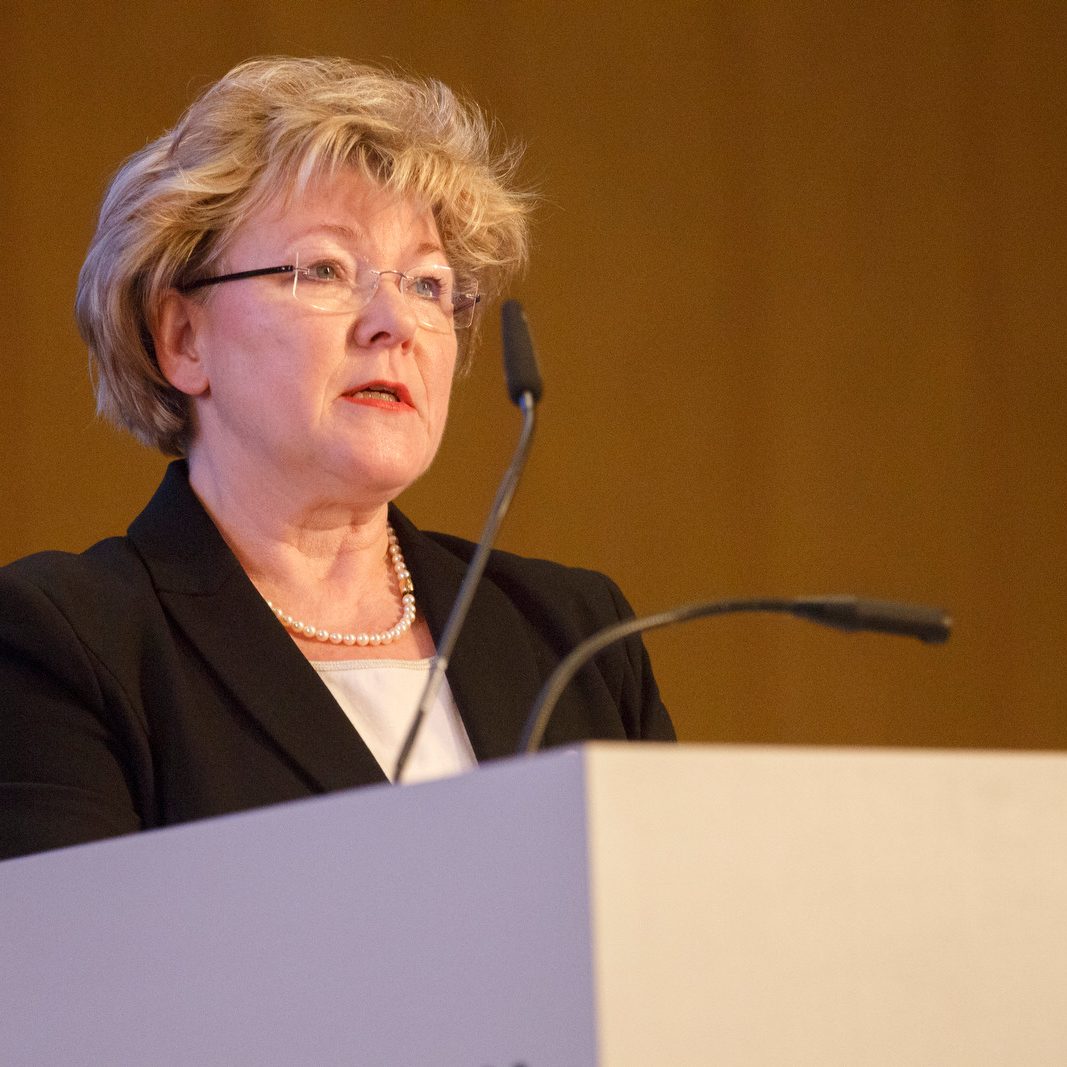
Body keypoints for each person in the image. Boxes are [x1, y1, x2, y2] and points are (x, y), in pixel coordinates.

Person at [0, 56, 673, 863]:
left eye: (427, 284)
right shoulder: (65, 644)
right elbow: (76, 945)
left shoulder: (575, 636)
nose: (394, 321)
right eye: (324, 269)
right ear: (183, 338)